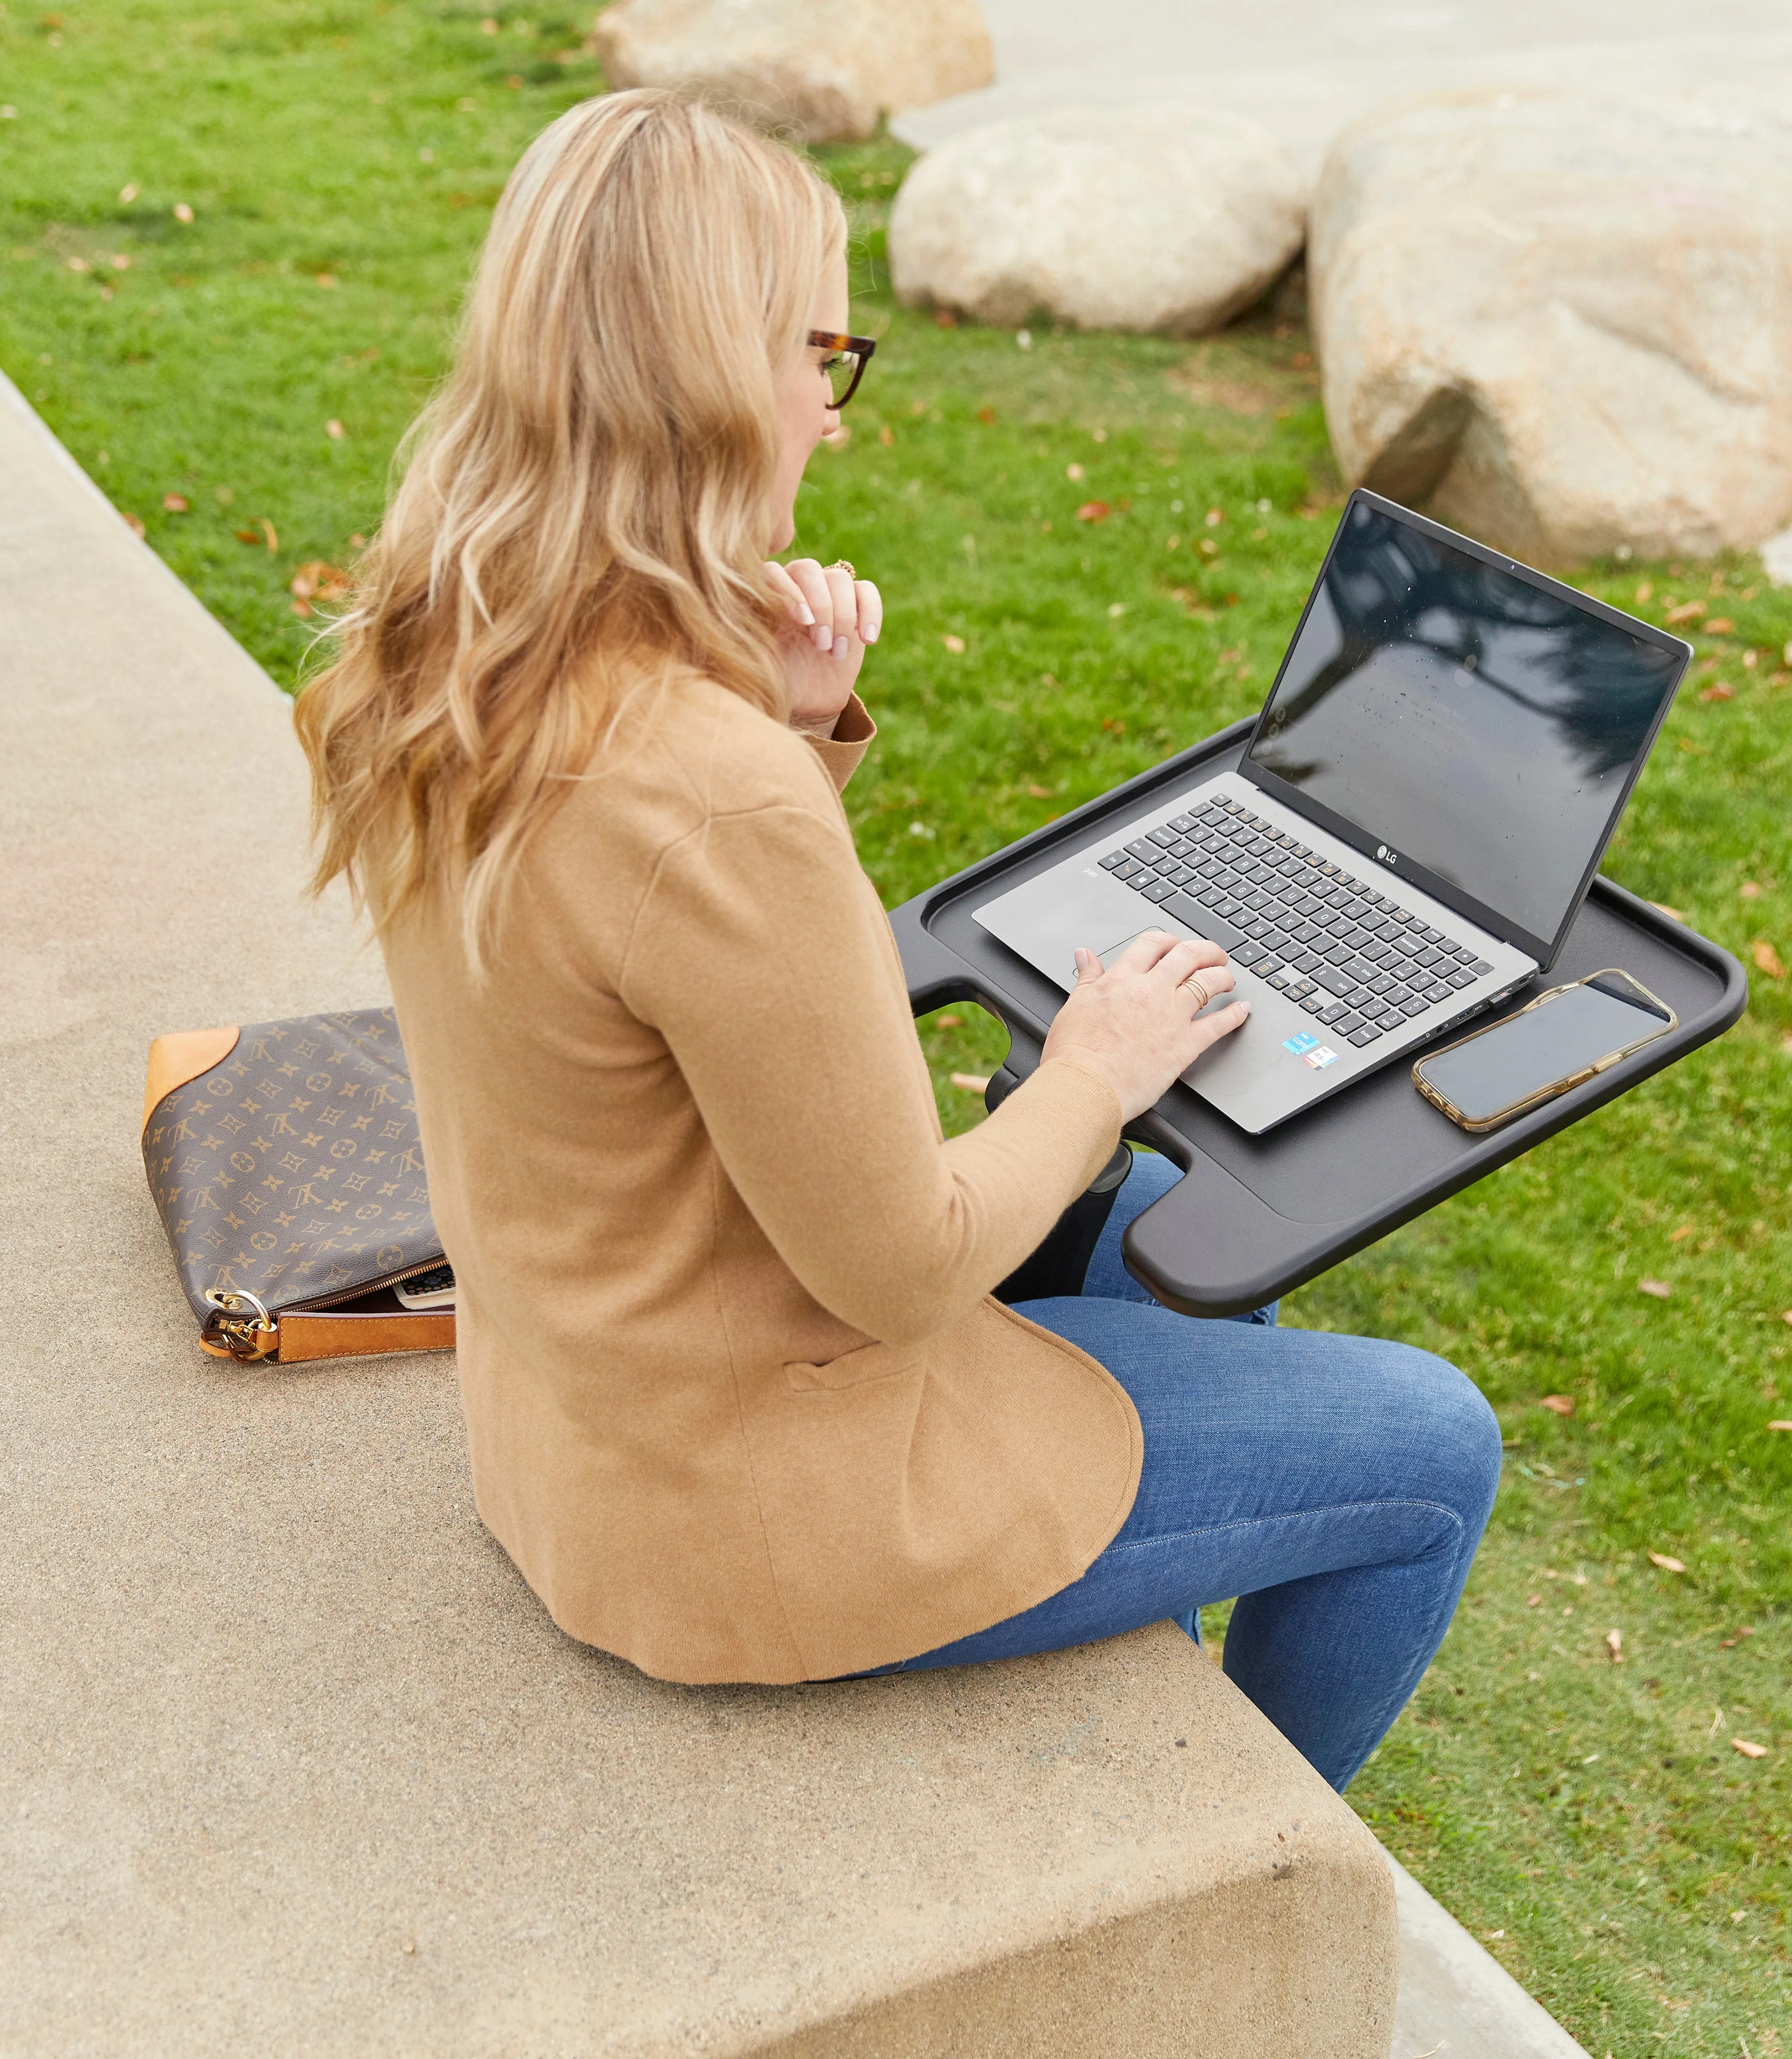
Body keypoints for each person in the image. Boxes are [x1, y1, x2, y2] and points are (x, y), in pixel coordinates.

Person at [293, 90, 1500, 1794]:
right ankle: (1244, 1848)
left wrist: (776, 726)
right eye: (822, 357)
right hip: (738, 1515)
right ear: (710, 374)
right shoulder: (707, 796)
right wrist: (1093, 1065)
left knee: (1165, 1217)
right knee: (1430, 1444)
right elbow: (907, 1268)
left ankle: (1167, 1734)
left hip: (583, 1424)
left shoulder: (428, 656)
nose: (831, 418)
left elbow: (637, 968)